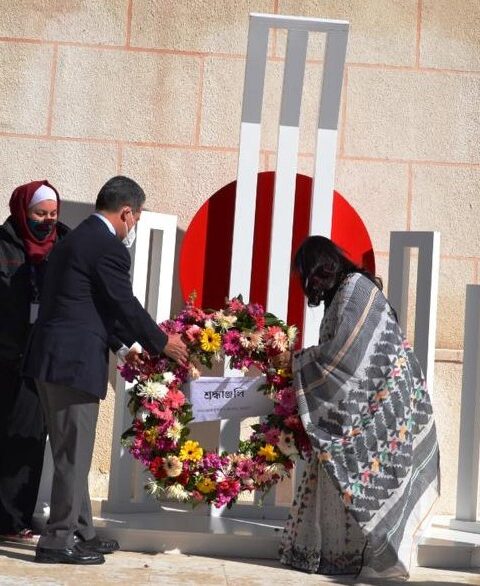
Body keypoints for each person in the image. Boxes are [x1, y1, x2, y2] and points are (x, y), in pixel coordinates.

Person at [23, 176, 188, 565]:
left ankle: (81, 532)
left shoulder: (75, 239)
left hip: (54, 360)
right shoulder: (106, 246)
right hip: (72, 364)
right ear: (127, 212)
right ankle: (57, 541)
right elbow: (122, 303)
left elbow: (89, 306)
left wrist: (124, 347)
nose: (135, 225)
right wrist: (161, 342)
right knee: (72, 456)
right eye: (137, 217)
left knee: (74, 453)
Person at [278, 236, 440, 579]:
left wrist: (298, 361)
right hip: (363, 404)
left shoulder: (355, 289)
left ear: (320, 267)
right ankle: (341, 556)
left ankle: (375, 558)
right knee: (343, 473)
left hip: (383, 405)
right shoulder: (343, 292)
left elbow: (346, 356)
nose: (307, 283)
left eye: (307, 273)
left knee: (370, 476)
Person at [0, 180, 69, 544]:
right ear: (22, 211)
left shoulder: (65, 243)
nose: (47, 221)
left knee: (28, 437)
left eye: (52, 214)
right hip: (5, 354)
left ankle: (14, 519)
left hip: (41, 356)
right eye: (39, 213)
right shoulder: (3, 244)